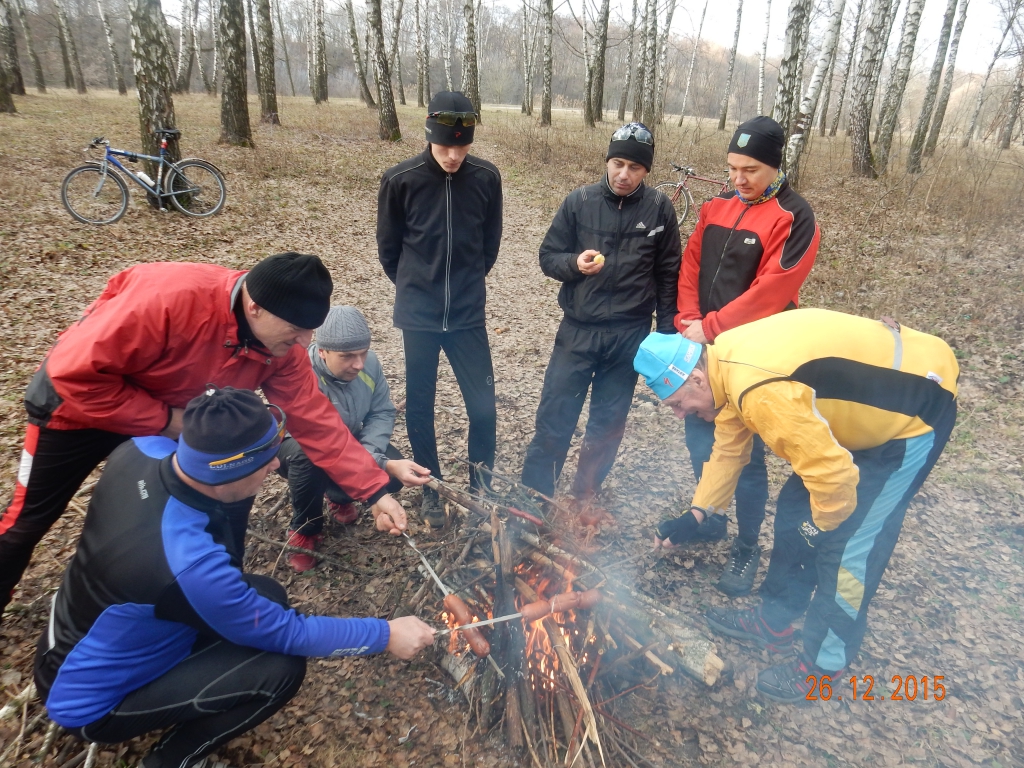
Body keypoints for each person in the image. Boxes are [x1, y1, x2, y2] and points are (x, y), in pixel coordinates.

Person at [34, 387, 435, 768]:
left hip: (76, 636)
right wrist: (385, 634)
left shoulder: (140, 450)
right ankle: (169, 760)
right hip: (89, 698)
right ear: (228, 471)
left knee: (268, 593)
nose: (276, 465)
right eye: (267, 460)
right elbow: (289, 633)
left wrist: (372, 487)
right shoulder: (190, 565)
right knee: (279, 671)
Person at [0, 253, 416, 620]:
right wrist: (167, 419)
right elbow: (71, 374)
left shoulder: (281, 349)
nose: (305, 342)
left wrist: (373, 491)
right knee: (27, 520)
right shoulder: (170, 299)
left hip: (180, 416)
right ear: (254, 307)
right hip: (78, 408)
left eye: (311, 330)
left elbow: (316, 421)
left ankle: (220, 601)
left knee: (223, 499)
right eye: (296, 328)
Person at [633, 309, 958, 702]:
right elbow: (729, 451)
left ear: (697, 378)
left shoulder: (759, 389)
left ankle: (823, 668)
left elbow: (835, 480)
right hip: (861, 415)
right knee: (793, 513)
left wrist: (820, 527)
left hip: (916, 409)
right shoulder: (723, 365)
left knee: (847, 547)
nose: (679, 414)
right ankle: (774, 622)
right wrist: (696, 514)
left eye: (677, 402)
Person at [675, 115, 820, 597]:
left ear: (775, 166)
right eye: (733, 168)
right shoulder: (717, 205)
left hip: (755, 356)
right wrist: (689, 321)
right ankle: (710, 517)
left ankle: (747, 544)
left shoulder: (793, 217)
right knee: (700, 438)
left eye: (750, 170)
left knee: (748, 457)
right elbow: (691, 265)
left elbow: (772, 291)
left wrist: (711, 326)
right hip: (703, 346)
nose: (738, 179)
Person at [520, 122, 681, 508]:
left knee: (608, 425)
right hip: (578, 331)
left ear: (646, 171)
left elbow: (668, 273)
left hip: (629, 336)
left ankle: (584, 497)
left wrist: (666, 332)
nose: (624, 174)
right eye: (618, 163)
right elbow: (548, 256)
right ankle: (534, 500)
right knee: (555, 417)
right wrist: (574, 263)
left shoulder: (659, 208)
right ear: (607, 161)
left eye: (635, 167)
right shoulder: (580, 201)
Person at [377, 91, 503, 528]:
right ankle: (431, 489)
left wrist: (465, 286)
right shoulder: (400, 180)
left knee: (483, 408)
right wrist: (419, 289)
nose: (452, 156)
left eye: (461, 147)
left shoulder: (487, 178)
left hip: (468, 316)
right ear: (429, 135)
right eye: (445, 146)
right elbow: (389, 251)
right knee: (420, 407)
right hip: (419, 318)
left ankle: (481, 489)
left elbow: (490, 245)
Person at [277, 306, 430, 572]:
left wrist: (375, 459)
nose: (359, 364)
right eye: (347, 356)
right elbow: (320, 440)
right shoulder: (302, 373)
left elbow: (381, 412)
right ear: (322, 351)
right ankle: (304, 528)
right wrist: (377, 469)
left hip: (347, 439)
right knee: (307, 456)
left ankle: (339, 496)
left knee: (391, 474)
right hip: (297, 445)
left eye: (363, 353)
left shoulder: (369, 365)